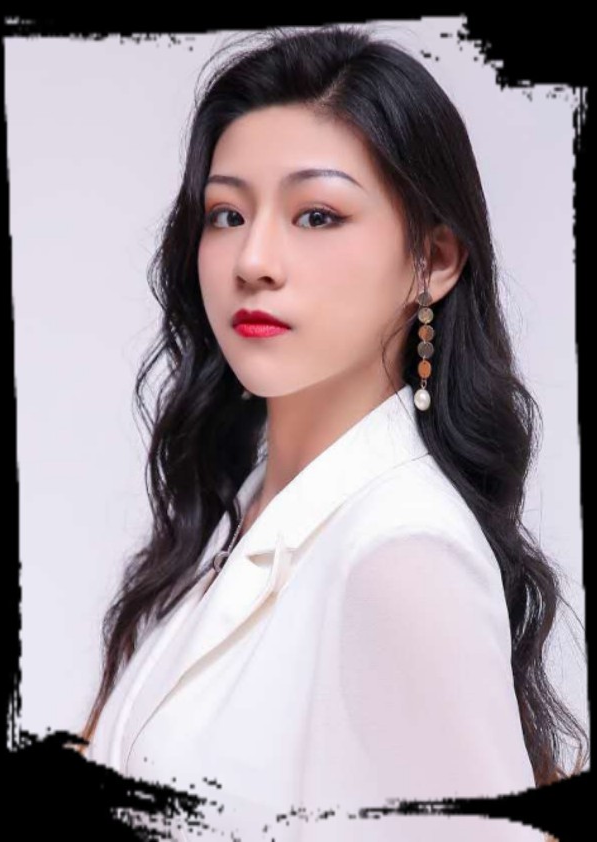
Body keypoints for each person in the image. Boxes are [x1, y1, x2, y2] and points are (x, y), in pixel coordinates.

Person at [75, 24, 587, 841]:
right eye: (226, 214)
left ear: (434, 260)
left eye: (316, 215)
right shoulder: (236, 517)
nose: (253, 259)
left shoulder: (399, 553)